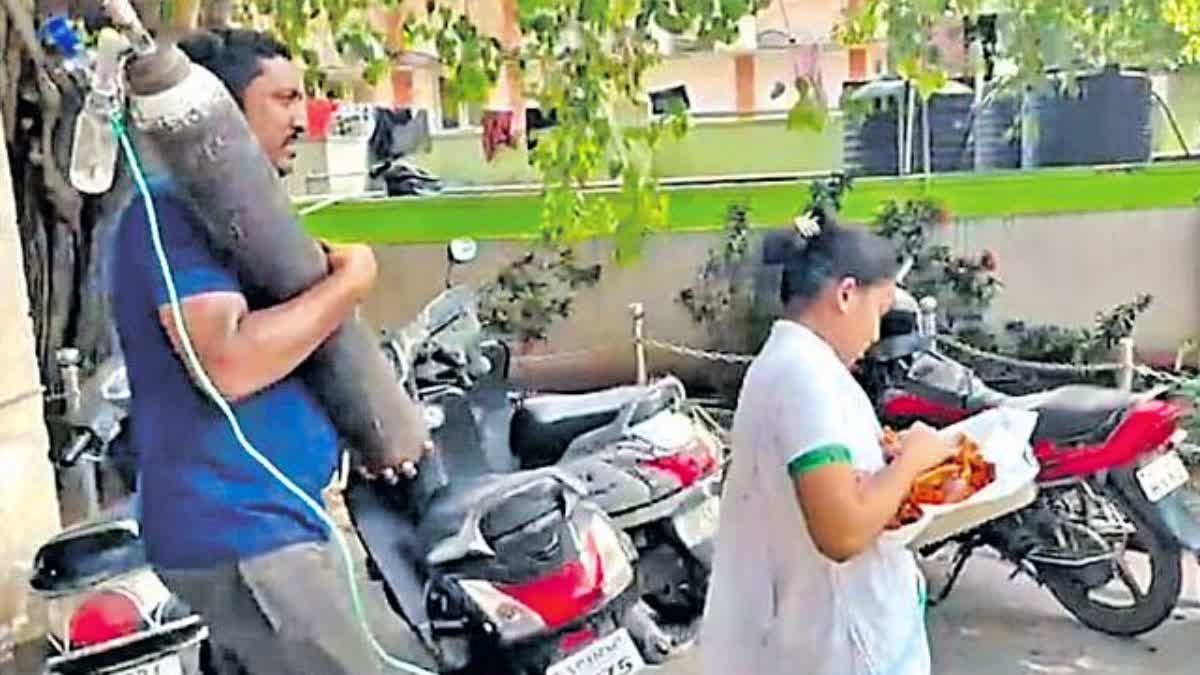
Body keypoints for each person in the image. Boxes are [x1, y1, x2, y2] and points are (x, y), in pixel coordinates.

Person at [111, 28, 418, 674]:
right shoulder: (169, 213)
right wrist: (351, 284)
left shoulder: (236, 220)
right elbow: (228, 362)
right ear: (220, 109)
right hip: (243, 531)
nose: (302, 118)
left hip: (273, 524)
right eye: (282, 99)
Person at [699, 209, 958, 675]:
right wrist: (914, 459)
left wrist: (882, 460)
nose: (877, 333)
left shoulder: (799, 365)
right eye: (878, 312)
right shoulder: (804, 378)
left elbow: (830, 483)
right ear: (845, 295)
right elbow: (841, 531)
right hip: (833, 649)